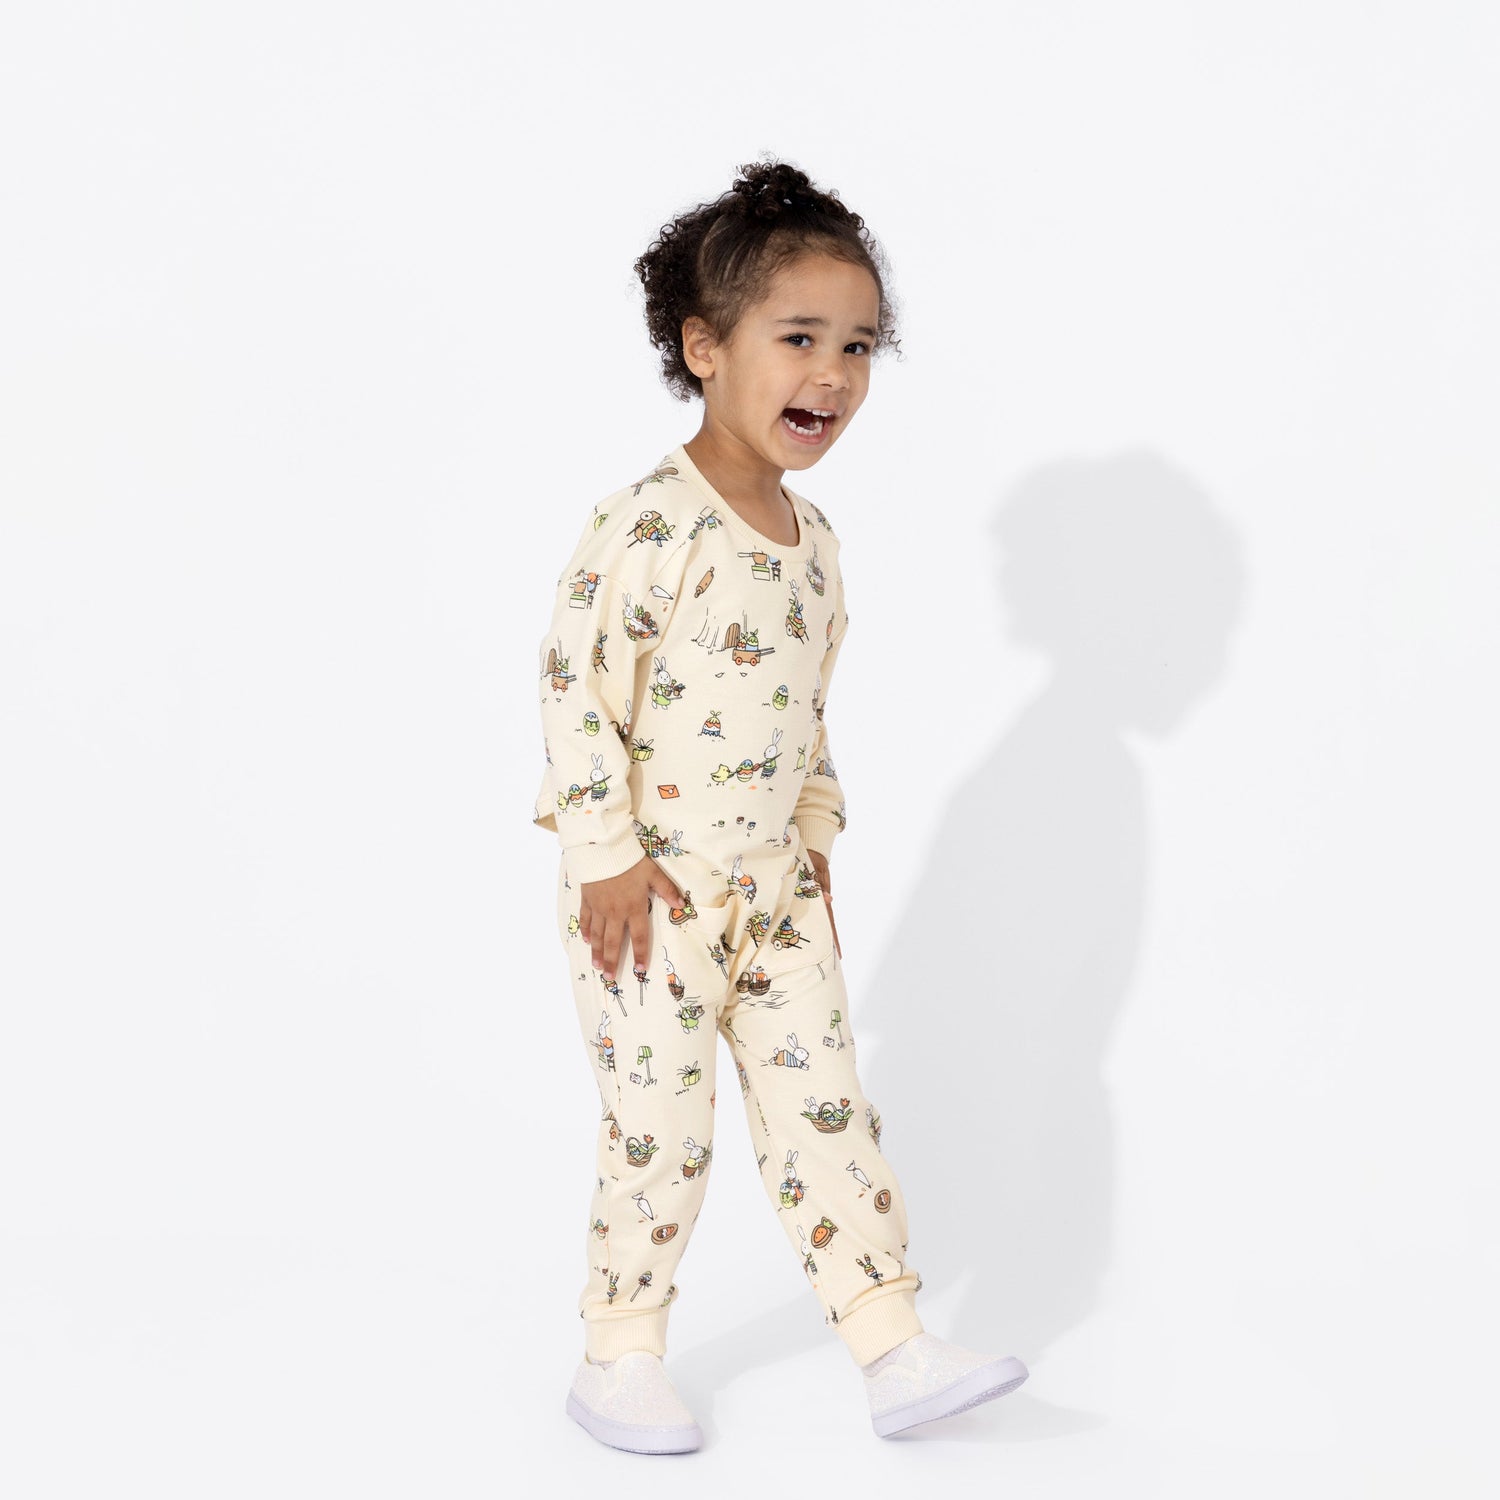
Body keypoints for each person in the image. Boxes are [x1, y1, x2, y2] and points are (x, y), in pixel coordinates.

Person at [531, 158, 1028, 1452]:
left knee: (830, 1111)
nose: (834, 374)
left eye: (858, 346)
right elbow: (575, 688)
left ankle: (892, 1343)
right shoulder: (649, 526)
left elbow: (805, 716)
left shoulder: (817, 546)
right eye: (798, 338)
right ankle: (619, 1354)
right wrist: (603, 857)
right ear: (704, 347)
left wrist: (814, 854)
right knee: (662, 1130)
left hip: (777, 893)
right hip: (649, 896)